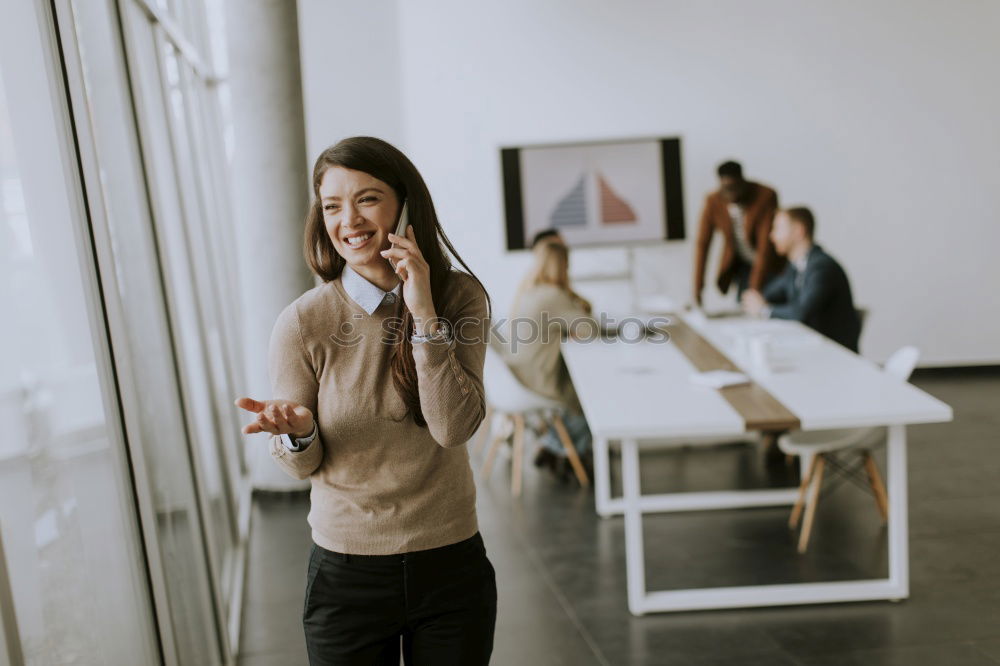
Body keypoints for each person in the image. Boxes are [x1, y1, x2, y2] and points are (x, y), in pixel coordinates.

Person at [235, 136, 496, 665]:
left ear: (404, 207)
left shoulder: (461, 298)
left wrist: (423, 310)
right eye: (332, 205)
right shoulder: (304, 321)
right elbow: (301, 466)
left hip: (450, 565)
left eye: (367, 198)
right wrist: (299, 431)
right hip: (347, 574)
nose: (347, 220)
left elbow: (452, 427)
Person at [507, 241, 598, 480]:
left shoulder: (531, 291)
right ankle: (558, 447)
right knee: (594, 397)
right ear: (561, 266)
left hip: (518, 374)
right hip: (538, 378)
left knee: (584, 391)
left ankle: (559, 449)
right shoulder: (553, 295)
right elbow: (590, 329)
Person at [742, 206, 861, 352]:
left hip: (834, 354)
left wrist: (763, 309)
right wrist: (756, 299)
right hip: (811, 348)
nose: (772, 236)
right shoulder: (796, 266)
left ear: (798, 231)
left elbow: (801, 313)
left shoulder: (822, 267)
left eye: (778, 229)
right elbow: (772, 292)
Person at [693, 160, 784, 306]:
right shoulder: (713, 201)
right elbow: (702, 243)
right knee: (742, 306)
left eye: (734, 187)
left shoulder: (765, 196)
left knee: (766, 306)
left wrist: (753, 291)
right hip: (743, 266)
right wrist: (697, 289)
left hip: (770, 266)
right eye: (726, 188)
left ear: (743, 182)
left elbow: (764, 247)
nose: (731, 194)